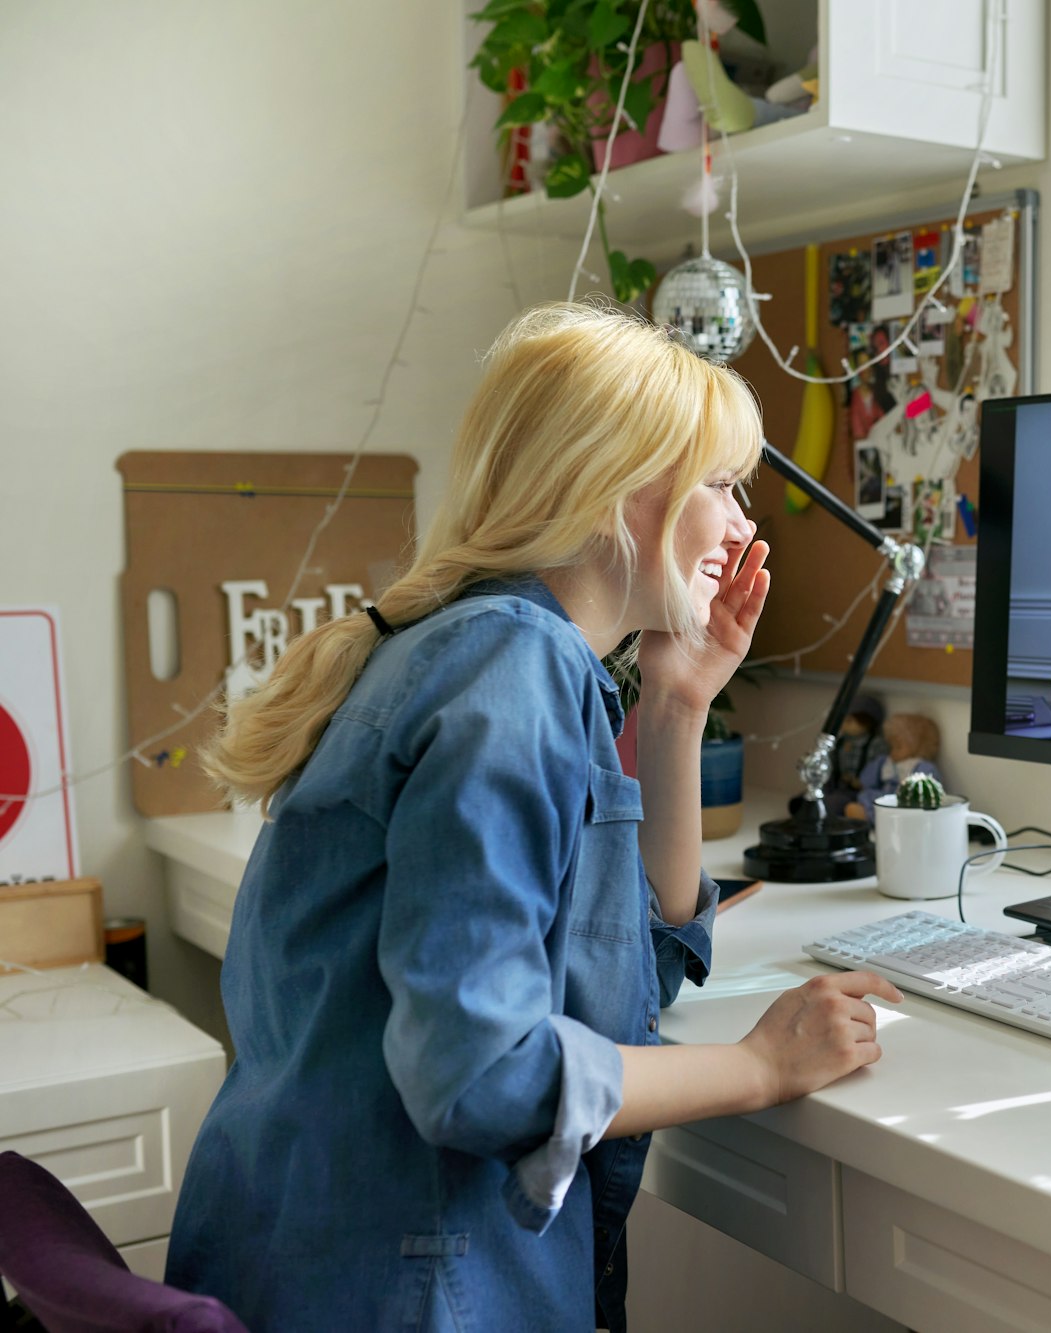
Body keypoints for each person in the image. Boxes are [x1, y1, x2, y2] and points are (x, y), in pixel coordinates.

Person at [164, 303, 903, 1331]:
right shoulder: (512, 671)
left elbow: (624, 974)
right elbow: (482, 1072)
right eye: (723, 485)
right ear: (622, 487)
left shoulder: (488, 650)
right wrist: (758, 1065)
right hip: (405, 1292)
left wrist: (678, 707)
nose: (744, 525)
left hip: (323, 1260)